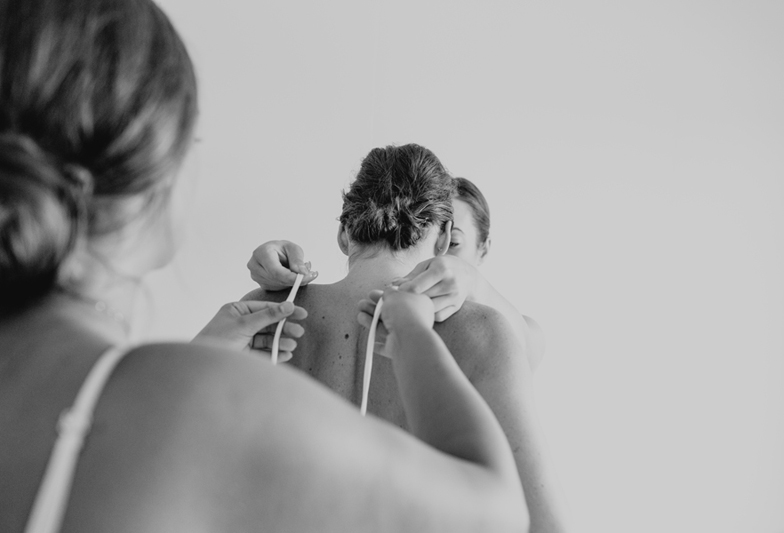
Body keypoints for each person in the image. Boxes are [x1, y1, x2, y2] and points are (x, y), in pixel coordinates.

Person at [0, 1, 530, 531]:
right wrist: (411, 331)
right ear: (156, 180)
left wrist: (203, 352)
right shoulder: (184, 391)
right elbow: (500, 513)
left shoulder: (94, 380)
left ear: (345, 229)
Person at [242, 144, 567, 533]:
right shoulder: (484, 332)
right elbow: (545, 525)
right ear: (444, 238)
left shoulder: (259, 316)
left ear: (344, 233)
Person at [248, 178, 546, 371]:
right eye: (412, 230)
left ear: (483, 249)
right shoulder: (275, 310)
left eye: (454, 243)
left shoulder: (494, 327)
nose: (439, 263)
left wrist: (473, 283)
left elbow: (527, 344)